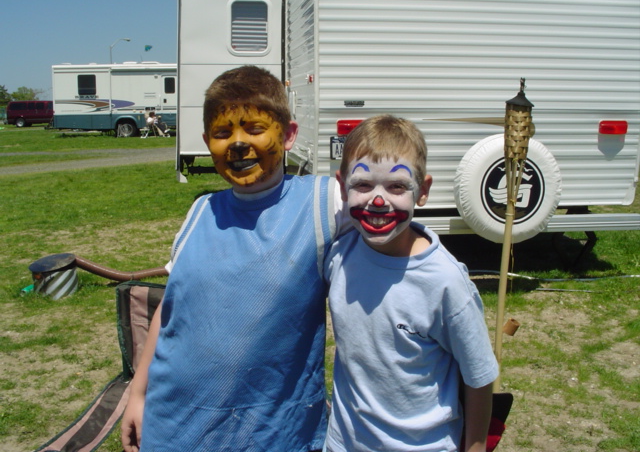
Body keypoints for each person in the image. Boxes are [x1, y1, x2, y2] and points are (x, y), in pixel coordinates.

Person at [121, 65, 346, 451]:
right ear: (207, 141)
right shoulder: (200, 211)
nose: (238, 144)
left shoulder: (323, 203)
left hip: (272, 434)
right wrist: (137, 394)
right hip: (175, 425)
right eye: (223, 133)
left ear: (288, 135)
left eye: (255, 129)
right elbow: (171, 310)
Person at [324, 115, 499, 452]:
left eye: (397, 187)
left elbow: (479, 376)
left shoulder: (445, 282)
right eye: (363, 185)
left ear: (423, 191)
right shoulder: (339, 254)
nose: (378, 200)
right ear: (343, 187)